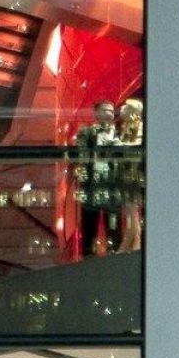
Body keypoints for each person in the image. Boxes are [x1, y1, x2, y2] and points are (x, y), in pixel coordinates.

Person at [68, 100, 119, 259]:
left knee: (113, 220)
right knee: (90, 220)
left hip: (112, 183)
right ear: (96, 114)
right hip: (92, 183)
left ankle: (115, 251)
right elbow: (78, 152)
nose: (109, 113)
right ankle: (87, 254)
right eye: (105, 110)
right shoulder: (87, 132)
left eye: (111, 111)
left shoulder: (118, 133)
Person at [113, 97, 146, 252]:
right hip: (128, 174)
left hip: (131, 175)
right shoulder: (128, 129)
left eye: (125, 107)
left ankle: (129, 244)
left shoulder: (135, 128)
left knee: (131, 212)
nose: (121, 110)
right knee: (131, 213)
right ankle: (135, 244)